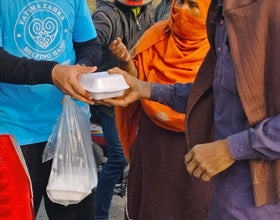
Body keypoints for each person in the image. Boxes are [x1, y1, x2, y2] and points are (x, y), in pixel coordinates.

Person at [100, 0, 280, 219]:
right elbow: (211, 92)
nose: (181, 11)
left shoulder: (269, 15)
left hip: (258, 202)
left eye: (192, 5)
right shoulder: (222, 18)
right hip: (218, 196)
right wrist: (144, 88)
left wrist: (230, 149)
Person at [108, 0, 211, 219]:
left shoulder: (220, 51)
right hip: (153, 148)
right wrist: (128, 62)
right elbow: (136, 89)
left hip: (197, 153)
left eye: (192, 5)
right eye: (180, 1)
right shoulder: (155, 36)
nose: (181, 10)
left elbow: (218, 103)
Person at [0, 0, 102, 219]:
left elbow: (89, 45)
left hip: (69, 130)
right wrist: (52, 73)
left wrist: (80, 71)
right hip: (14, 135)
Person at [91, 0, 154, 219]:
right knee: (119, 158)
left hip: (133, 95)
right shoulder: (107, 13)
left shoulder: (146, 11)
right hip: (108, 101)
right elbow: (91, 40)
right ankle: (99, 214)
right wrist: (81, 66)